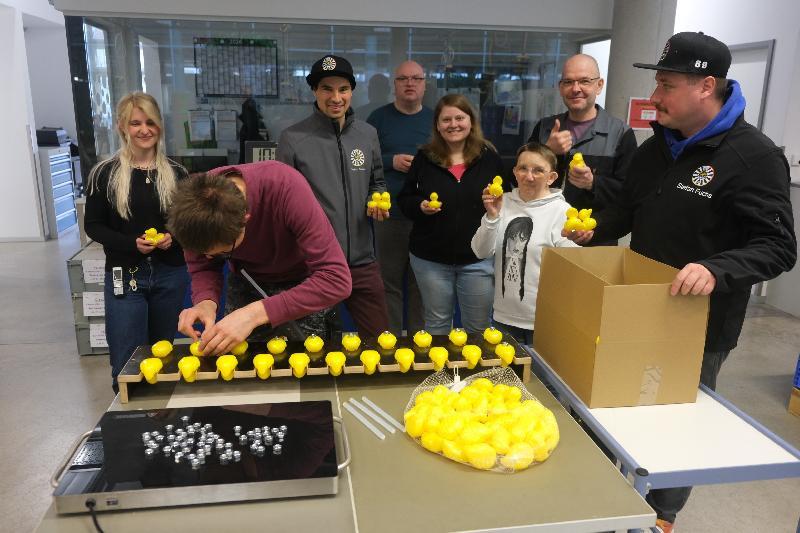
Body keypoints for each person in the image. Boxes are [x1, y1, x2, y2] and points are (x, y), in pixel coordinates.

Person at [566, 32, 797, 533]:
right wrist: (592, 228)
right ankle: (615, 500)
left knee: (674, 425)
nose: (655, 96)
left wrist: (717, 269)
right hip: (638, 313)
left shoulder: (752, 157)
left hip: (699, 326)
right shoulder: (657, 150)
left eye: (666, 85)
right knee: (626, 413)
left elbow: (779, 247)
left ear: (706, 86)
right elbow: (626, 210)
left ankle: (660, 518)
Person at [167, 161, 352, 355]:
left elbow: (336, 279)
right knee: (242, 361)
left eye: (222, 252)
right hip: (248, 280)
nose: (208, 257)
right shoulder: (193, 209)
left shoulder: (285, 187)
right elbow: (203, 266)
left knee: (309, 361)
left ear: (245, 220)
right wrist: (205, 301)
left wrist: (252, 314)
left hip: (304, 283)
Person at [277, 54, 390, 337]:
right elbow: (282, 203)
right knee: (313, 347)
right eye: (327, 88)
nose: (336, 97)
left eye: (343, 89)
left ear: (352, 91)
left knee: (379, 341)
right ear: (315, 91)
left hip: (363, 261)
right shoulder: (293, 138)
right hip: (315, 264)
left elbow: (377, 181)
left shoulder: (367, 134)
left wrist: (378, 200)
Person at [84, 92, 189, 392]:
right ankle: (127, 421)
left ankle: (158, 420)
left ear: (160, 127)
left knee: (162, 355)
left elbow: (187, 223)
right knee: (127, 360)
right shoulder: (104, 175)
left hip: (170, 274)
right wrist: (132, 244)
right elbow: (94, 226)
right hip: (125, 275)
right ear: (121, 127)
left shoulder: (177, 174)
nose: (145, 130)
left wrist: (174, 237)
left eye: (151, 123)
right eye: (136, 123)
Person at [398, 93, 505, 335]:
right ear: (437, 125)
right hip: (430, 260)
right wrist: (420, 206)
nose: (453, 124)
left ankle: (478, 374)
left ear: (471, 121)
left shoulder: (489, 157)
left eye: (459, 117)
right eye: (446, 120)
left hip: (478, 260)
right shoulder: (424, 158)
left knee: (478, 328)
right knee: (437, 326)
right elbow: (405, 200)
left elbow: (507, 199)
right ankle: (442, 374)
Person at [471, 143, 577, 345]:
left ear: (552, 177)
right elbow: (480, 251)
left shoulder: (562, 211)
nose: (529, 177)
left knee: (539, 377)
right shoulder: (503, 202)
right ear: (514, 171)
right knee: (505, 376)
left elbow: (571, 268)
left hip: (544, 321)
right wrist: (492, 216)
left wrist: (575, 239)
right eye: (523, 168)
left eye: (538, 170)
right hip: (503, 316)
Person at [528, 53, 637, 245]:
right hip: (544, 237)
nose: (575, 89)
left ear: (599, 85)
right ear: (561, 87)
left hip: (595, 241)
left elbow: (629, 195)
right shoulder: (545, 128)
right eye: (568, 82)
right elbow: (518, 179)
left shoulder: (620, 133)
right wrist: (546, 151)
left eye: (584, 81)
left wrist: (592, 183)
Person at [366, 60, 433, 334]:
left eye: (416, 78)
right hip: (388, 214)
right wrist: (390, 161)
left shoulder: (435, 119)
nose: (410, 83)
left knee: (422, 284)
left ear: (424, 84)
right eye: (403, 78)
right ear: (394, 85)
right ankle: (391, 344)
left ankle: (419, 345)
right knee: (388, 283)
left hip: (427, 214)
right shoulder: (377, 120)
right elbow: (361, 162)